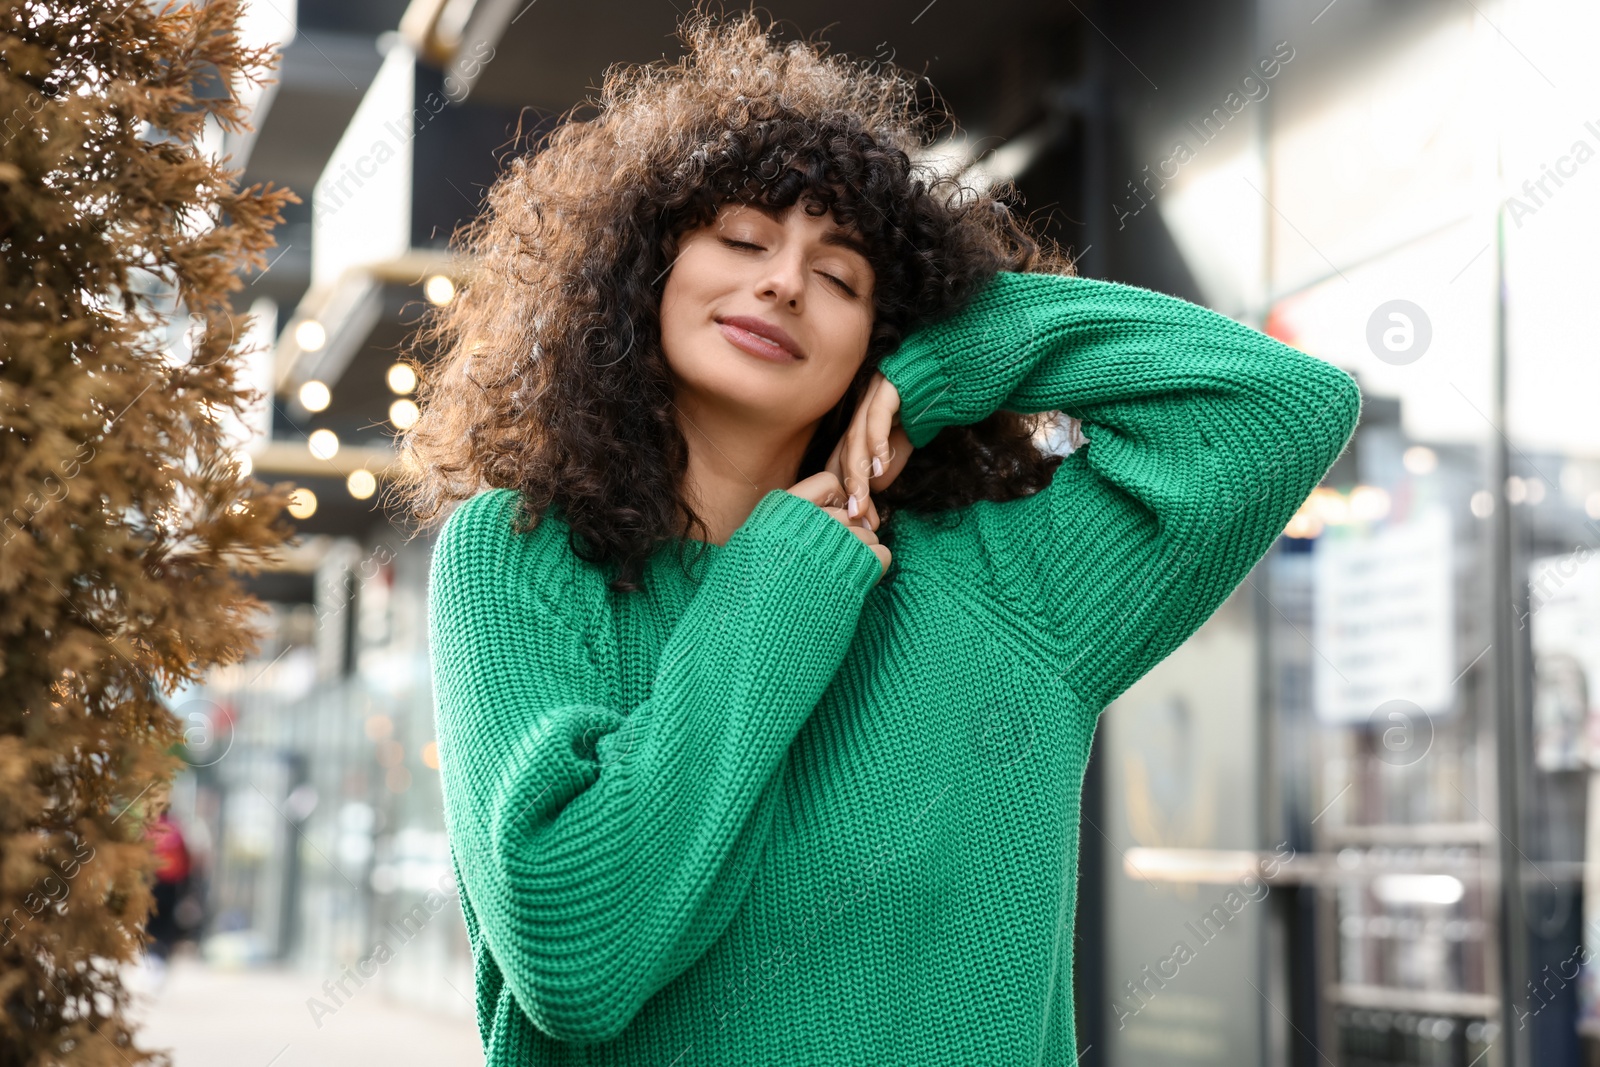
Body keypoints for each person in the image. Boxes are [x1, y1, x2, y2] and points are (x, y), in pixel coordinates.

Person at [402, 7, 1361, 1065]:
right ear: (645, 269)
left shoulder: (1002, 585)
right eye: (742, 237)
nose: (781, 282)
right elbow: (575, 953)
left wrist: (968, 353)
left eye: (843, 275)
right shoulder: (526, 551)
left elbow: (1280, 410)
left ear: (884, 336)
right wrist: (778, 578)